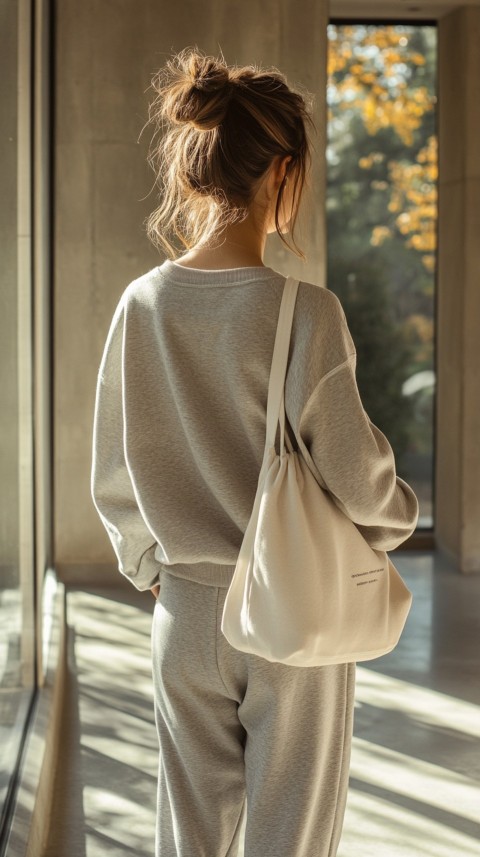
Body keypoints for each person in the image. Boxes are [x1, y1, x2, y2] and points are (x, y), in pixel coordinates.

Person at [91, 48, 418, 857]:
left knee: (189, 838)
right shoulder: (305, 312)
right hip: (287, 612)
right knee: (290, 839)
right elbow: (352, 468)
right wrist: (398, 515)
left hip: (185, 608)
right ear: (281, 171)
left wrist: (150, 567)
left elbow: (113, 469)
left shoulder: (142, 305)